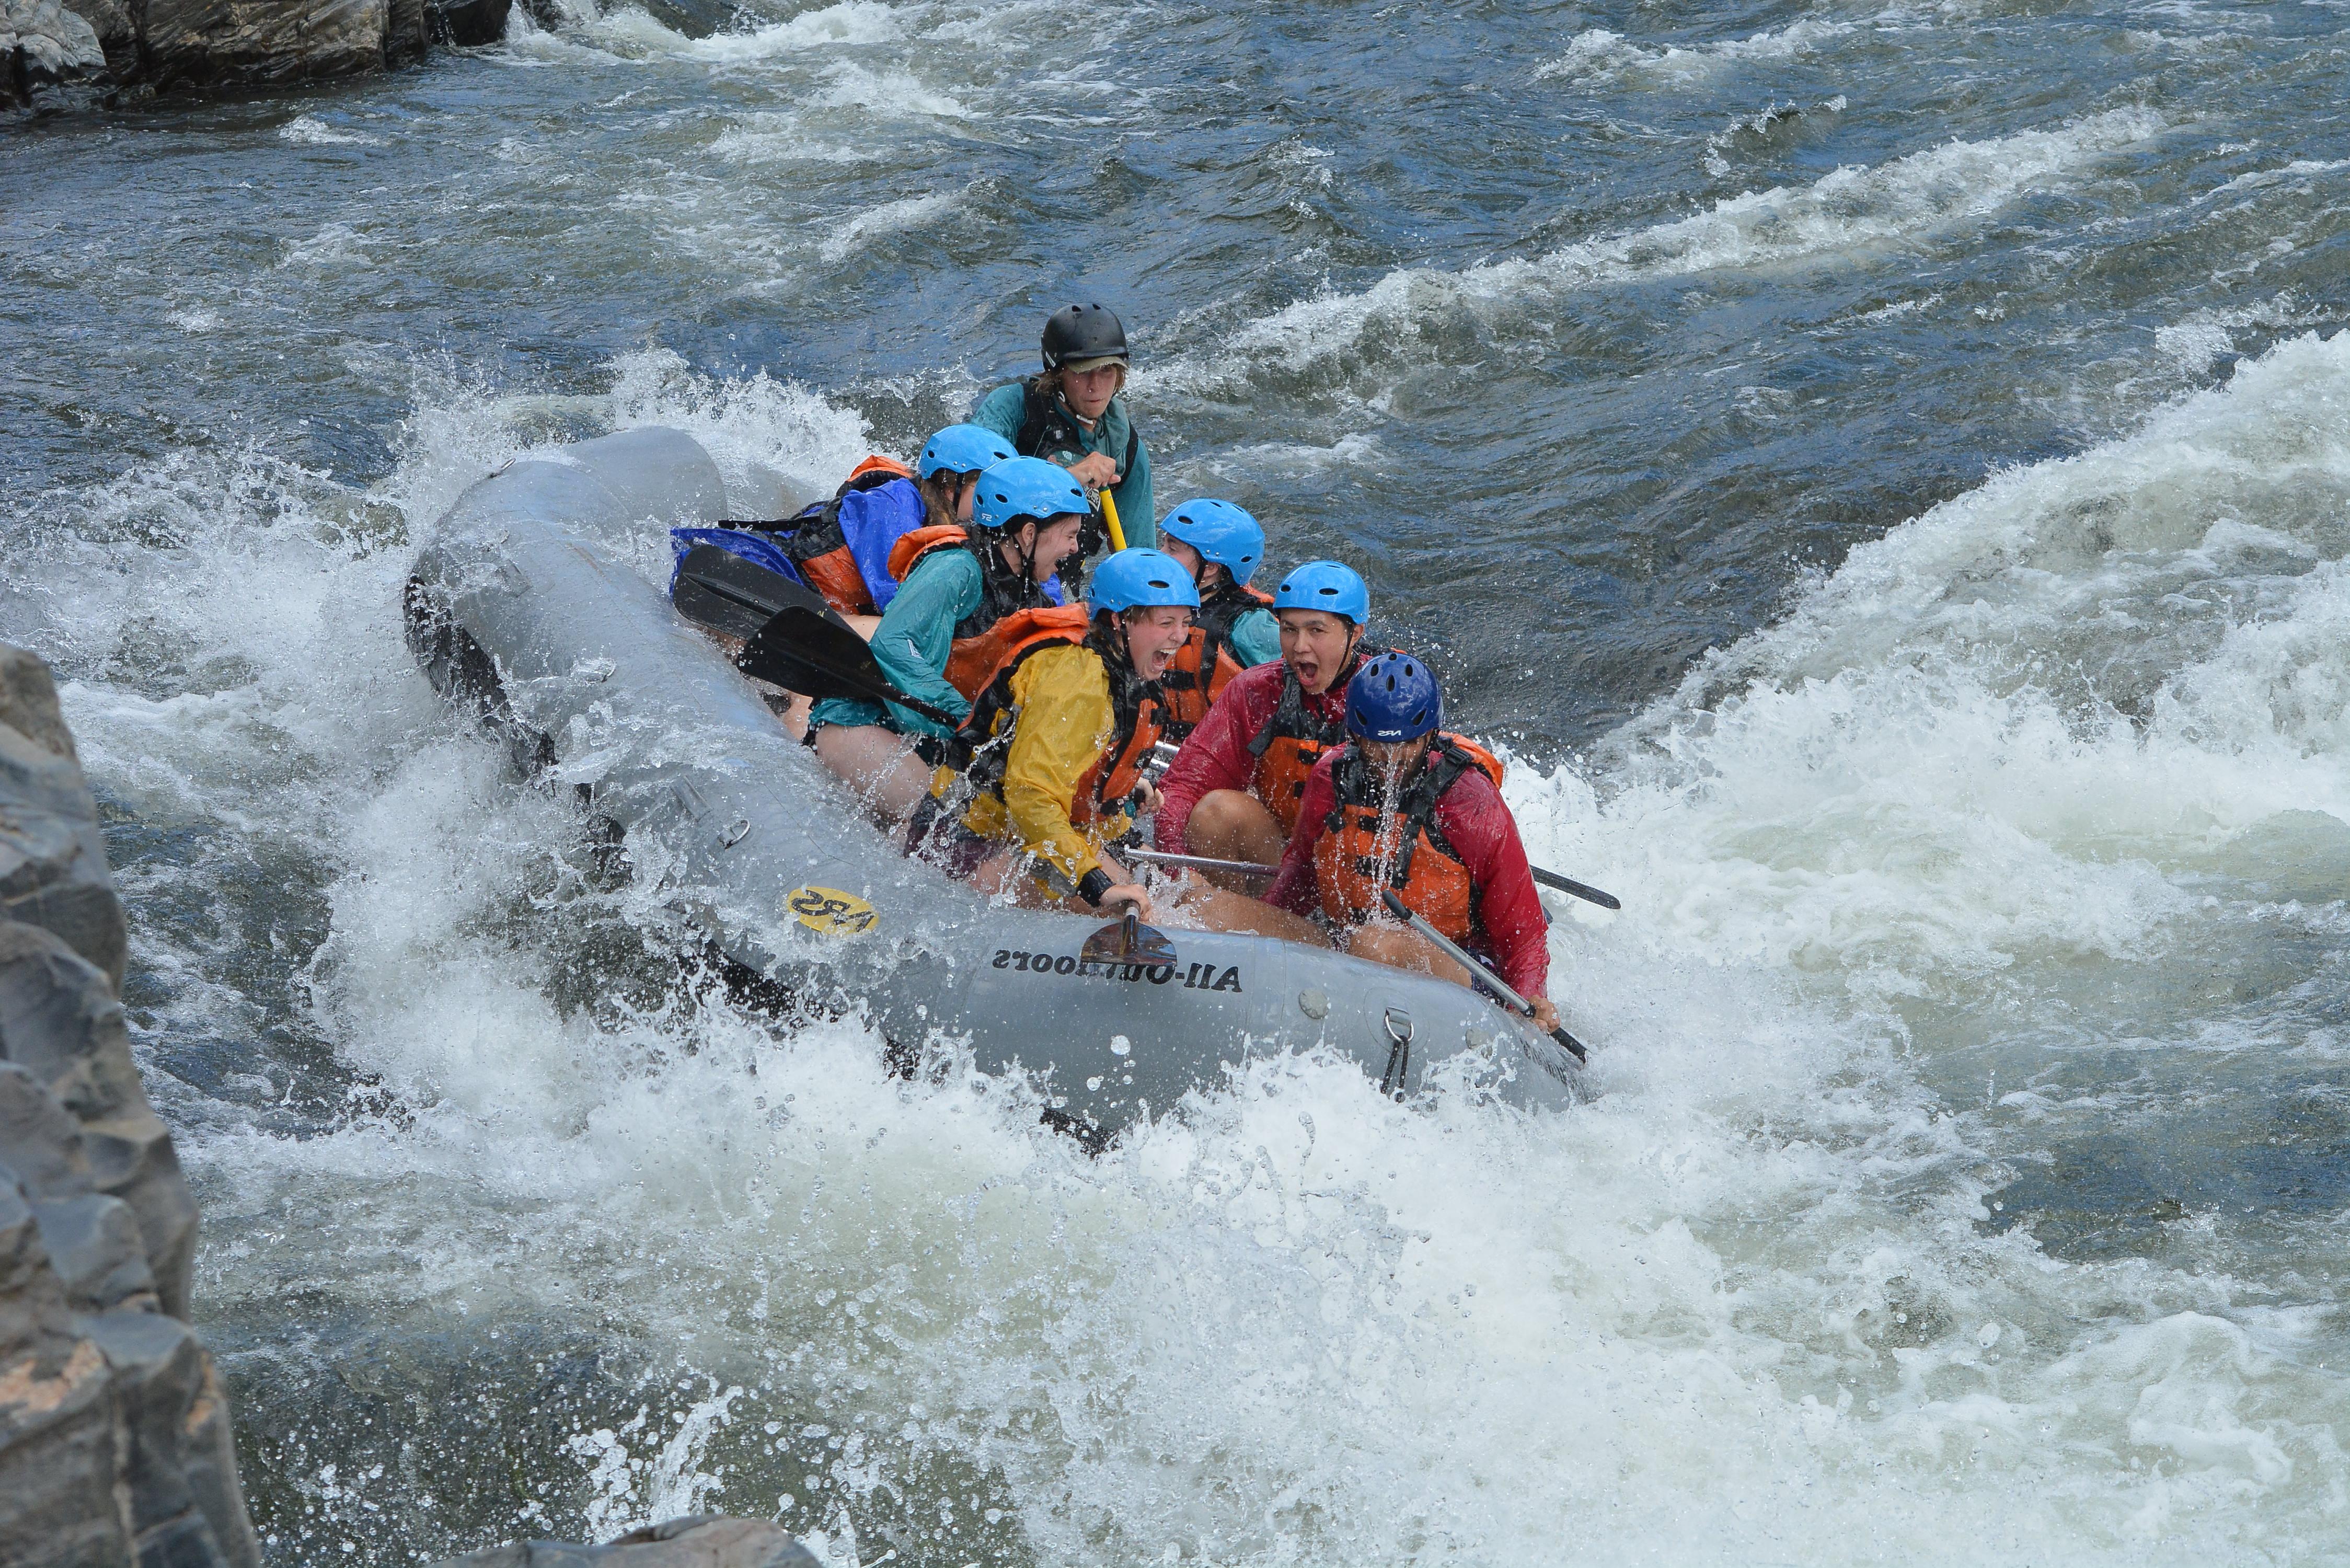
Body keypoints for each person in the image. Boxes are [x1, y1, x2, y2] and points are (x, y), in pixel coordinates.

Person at [908, 548, 1320, 940]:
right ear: (1121, 621)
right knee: (1150, 915)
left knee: (1174, 894)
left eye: (1185, 621)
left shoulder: (1117, 670)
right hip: (966, 841)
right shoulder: (1077, 682)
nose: (1180, 637)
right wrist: (1097, 884)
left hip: (1021, 832)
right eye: (1165, 623)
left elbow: (1073, 769)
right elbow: (1030, 794)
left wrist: (1116, 792)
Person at [1263, 653, 1560, 1031]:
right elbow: (1300, 876)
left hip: (1463, 966)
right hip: (1343, 945)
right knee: (1214, 912)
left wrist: (1529, 997)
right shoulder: (1330, 778)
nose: (1393, 758)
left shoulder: (1470, 802)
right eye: (1377, 746)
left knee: (1371, 944)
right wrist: (1267, 927)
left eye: (1408, 744)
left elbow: (1524, 931)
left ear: (1430, 736)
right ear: (1355, 735)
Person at [807, 456, 1091, 823]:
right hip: (863, 723)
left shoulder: (1030, 596)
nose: (1075, 549)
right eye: (1069, 536)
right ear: (1030, 534)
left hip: (932, 740)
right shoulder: (957, 569)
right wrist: (965, 719)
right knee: (945, 824)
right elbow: (894, 643)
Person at [670, 423, 1016, 634]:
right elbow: (900, 602)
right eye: (984, 490)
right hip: (762, 565)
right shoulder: (894, 503)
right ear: (947, 483)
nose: (997, 505)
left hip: (807, 597)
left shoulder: (960, 527)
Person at [1153, 560, 1374, 873]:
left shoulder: (1387, 697)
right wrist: (1179, 872)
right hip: (1282, 860)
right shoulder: (1256, 690)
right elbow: (1183, 787)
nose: (1300, 647)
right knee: (1216, 811)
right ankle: (1229, 912)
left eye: (1316, 631)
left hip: (1357, 867)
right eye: (1289, 630)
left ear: (1355, 634)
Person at [971, 303, 1154, 547]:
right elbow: (971, 501)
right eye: (1083, 371)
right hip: (997, 557)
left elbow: (1139, 556)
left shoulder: (1125, 447)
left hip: (1060, 579)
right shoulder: (1012, 408)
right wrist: (1066, 479)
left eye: (1107, 370)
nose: (1096, 385)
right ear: (1057, 373)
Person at [1154, 498, 1278, 733]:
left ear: (1210, 567)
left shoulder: (1248, 625)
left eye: (1172, 548)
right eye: (1163, 545)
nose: (1160, 555)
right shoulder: (1157, 601)